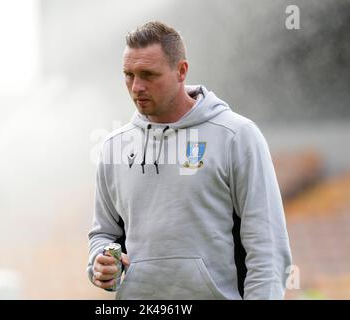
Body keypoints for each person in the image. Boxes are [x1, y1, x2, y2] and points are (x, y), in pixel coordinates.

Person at [87, 21, 292, 300]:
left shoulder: (237, 136)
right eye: (129, 75)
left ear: (181, 71)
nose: (137, 86)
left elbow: (267, 246)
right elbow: (104, 235)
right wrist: (102, 264)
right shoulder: (113, 147)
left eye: (148, 74)